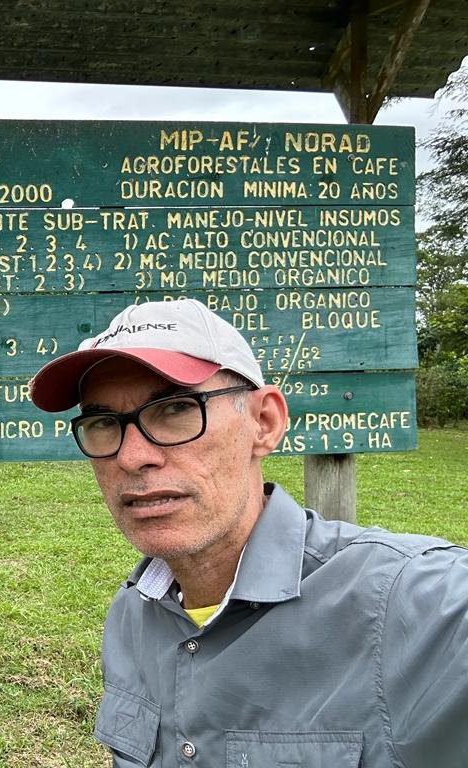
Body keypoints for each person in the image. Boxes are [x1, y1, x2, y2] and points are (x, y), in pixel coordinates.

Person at [29, 297, 468, 767]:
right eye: (102, 423)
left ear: (264, 423)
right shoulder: (132, 615)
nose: (132, 457)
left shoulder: (412, 606)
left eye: (176, 408)